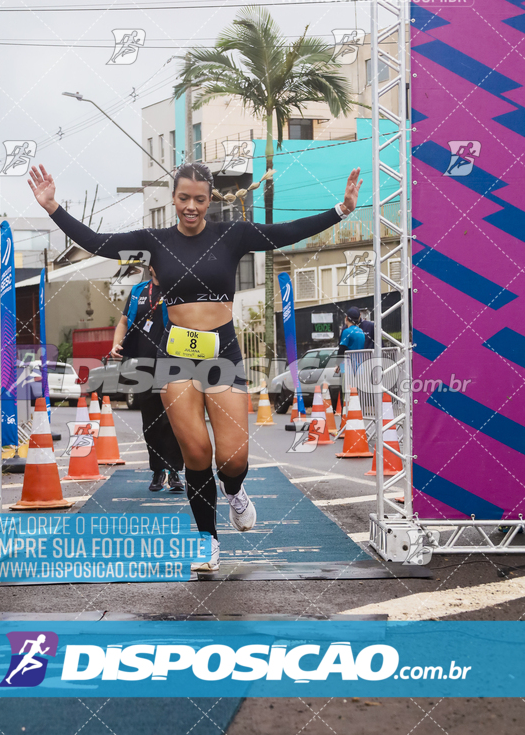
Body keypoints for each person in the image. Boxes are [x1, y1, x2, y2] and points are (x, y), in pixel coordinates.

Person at [29, 161, 363, 571]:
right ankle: (207, 540)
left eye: (199, 199)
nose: (191, 206)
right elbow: (98, 242)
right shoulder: (153, 241)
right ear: (173, 198)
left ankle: (236, 492)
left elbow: (285, 234)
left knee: (233, 458)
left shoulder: (232, 234)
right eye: (184, 198)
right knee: (196, 453)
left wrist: (342, 210)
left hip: (222, 354)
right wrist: (52, 208)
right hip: (176, 358)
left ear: (210, 201)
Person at [111, 265, 185, 494]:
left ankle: (175, 471)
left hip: (172, 362)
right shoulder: (138, 291)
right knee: (151, 422)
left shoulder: (178, 288)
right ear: (151, 267)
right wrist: (116, 343)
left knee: (172, 421)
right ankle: (157, 471)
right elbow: (123, 321)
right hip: (142, 364)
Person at [335, 306, 366, 408]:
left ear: (346, 318)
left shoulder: (346, 332)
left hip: (347, 368)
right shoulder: (361, 332)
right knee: (356, 393)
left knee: (345, 393)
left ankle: (346, 418)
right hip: (360, 367)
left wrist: (337, 364)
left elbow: (342, 349)